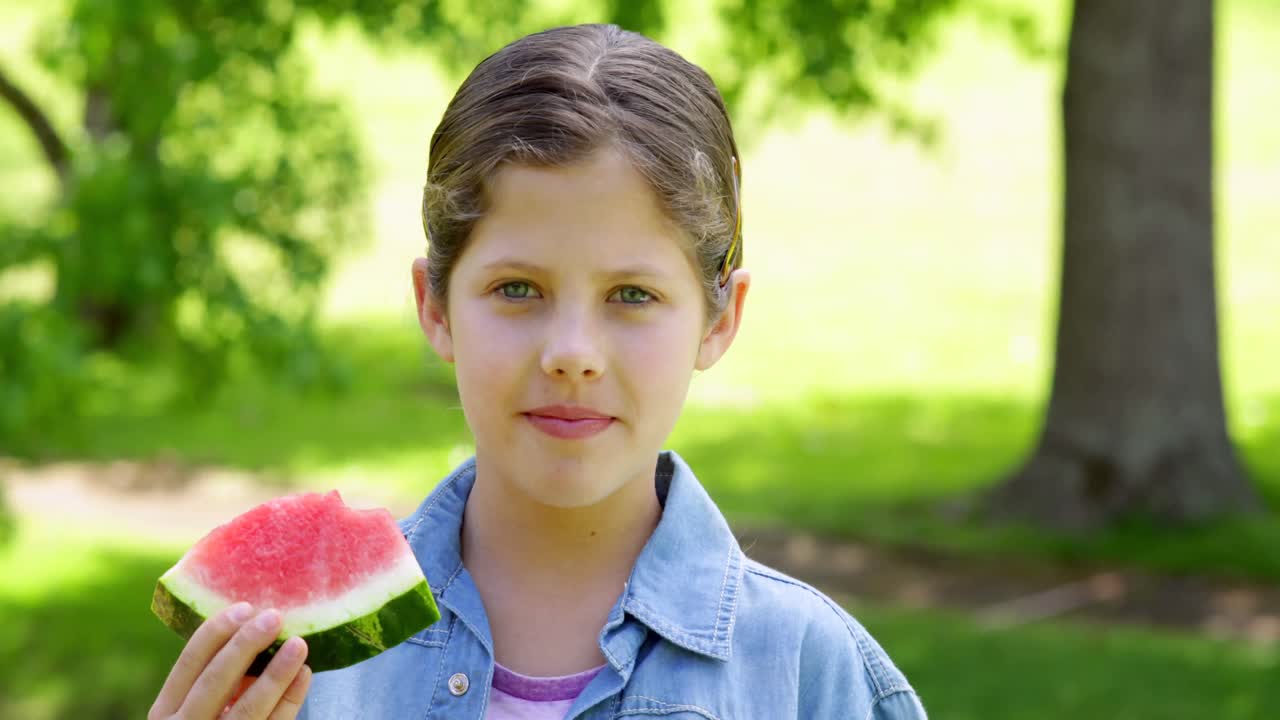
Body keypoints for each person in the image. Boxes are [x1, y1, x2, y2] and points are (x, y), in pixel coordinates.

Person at [148, 23, 927, 720]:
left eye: (632, 295)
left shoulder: (813, 676)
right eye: (517, 289)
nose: (572, 352)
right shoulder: (300, 666)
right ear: (436, 307)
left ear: (719, 319)